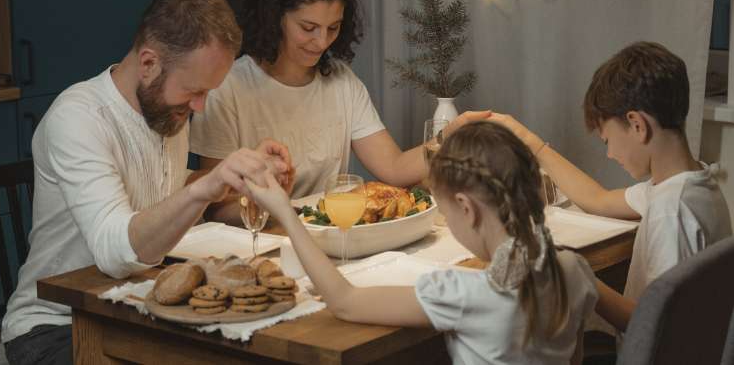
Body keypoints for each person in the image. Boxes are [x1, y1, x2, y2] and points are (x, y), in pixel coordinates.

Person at [1, 0, 291, 365]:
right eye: (194, 90)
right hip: (56, 326)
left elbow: (164, 188)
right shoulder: (78, 119)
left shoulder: (166, 108)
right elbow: (115, 253)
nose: (200, 105)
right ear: (149, 63)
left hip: (135, 309)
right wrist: (207, 185)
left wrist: (245, 183)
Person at [244, 121, 598, 365]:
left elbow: (345, 301)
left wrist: (286, 213)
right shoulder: (574, 270)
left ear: (466, 208)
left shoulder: (466, 294)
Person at [189, 0, 487, 222]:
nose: (321, 42)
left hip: (330, 235)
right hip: (265, 238)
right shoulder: (229, 87)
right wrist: (279, 210)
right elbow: (216, 209)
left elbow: (394, 168)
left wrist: (452, 136)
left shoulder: (341, 81)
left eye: (333, 28)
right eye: (308, 28)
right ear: (274, 16)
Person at [487, 41, 731, 333]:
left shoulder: (671, 212)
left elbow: (653, 324)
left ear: (637, 125)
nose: (610, 154)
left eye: (607, 141)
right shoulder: (694, 185)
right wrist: (528, 140)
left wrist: (580, 276)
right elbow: (598, 199)